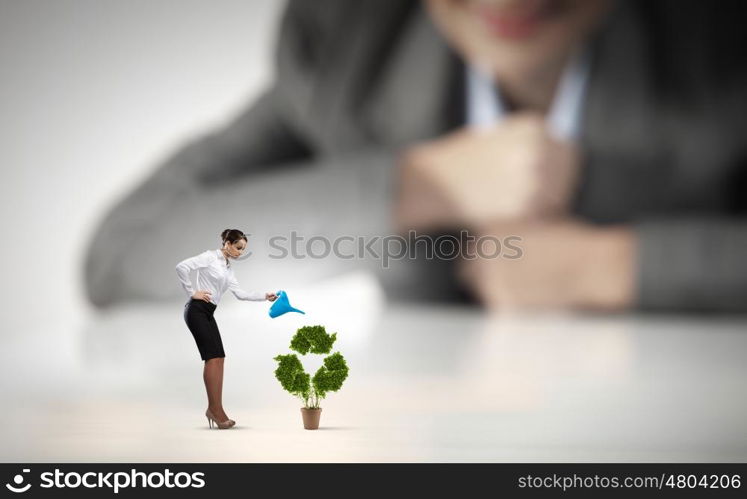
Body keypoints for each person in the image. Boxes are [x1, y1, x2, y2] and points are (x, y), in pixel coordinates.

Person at [84, 0, 747, 313]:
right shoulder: (351, 53)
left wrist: (612, 266)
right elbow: (127, 251)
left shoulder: (719, 41)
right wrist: (423, 183)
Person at [176, 229, 278, 429]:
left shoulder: (228, 268)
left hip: (208, 312)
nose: (240, 252)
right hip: (196, 310)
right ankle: (215, 410)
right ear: (228, 244)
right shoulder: (209, 257)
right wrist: (192, 292)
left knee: (219, 357)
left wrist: (264, 296)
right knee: (212, 357)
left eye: (243, 249)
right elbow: (182, 267)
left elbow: (240, 294)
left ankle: (215, 409)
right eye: (238, 248)